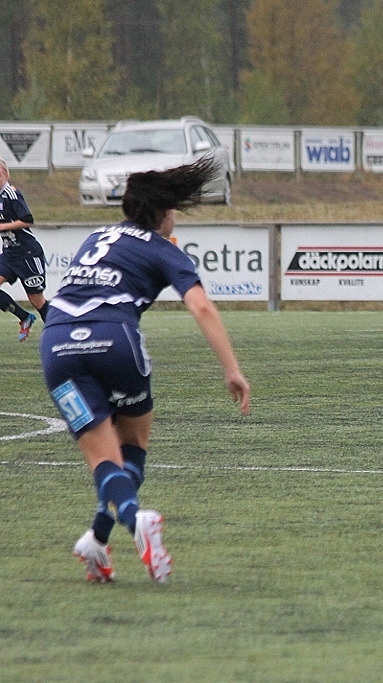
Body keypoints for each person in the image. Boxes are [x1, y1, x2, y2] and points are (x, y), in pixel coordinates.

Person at [40, 158, 251, 583]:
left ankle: (97, 540)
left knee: (104, 459)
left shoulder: (96, 237)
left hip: (57, 344)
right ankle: (137, 520)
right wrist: (232, 369)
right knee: (133, 443)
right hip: (114, 339)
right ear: (164, 212)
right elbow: (201, 306)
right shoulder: (163, 249)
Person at [0, 158, 50, 341]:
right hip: (9, 254)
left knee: (36, 300)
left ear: (5, 174)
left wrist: (3, 227)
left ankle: (58, 331)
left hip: (28, 254)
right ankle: (24, 317)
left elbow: (28, 220)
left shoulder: (12, 195)